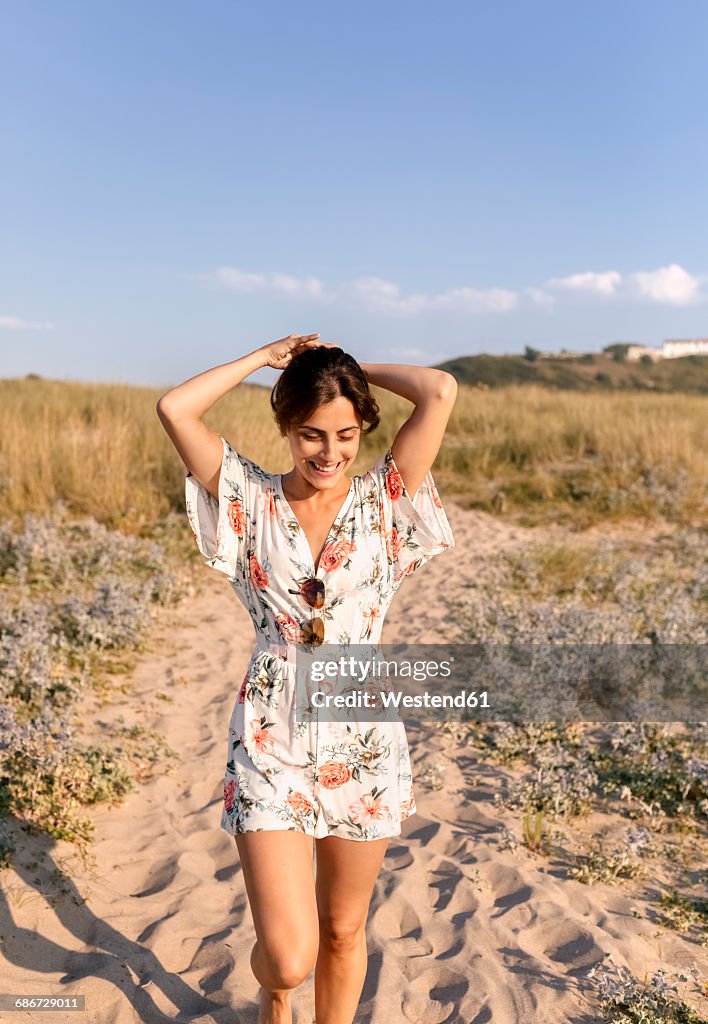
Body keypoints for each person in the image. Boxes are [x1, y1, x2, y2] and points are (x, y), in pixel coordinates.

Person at [156, 333, 457, 1024]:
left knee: (344, 930)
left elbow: (439, 389)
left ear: (364, 430)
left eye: (346, 435)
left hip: (363, 738)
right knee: (290, 955)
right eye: (310, 435)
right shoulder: (247, 497)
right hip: (271, 732)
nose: (328, 453)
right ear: (286, 428)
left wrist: (347, 368)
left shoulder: (386, 498)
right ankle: (277, 992)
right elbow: (177, 408)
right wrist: (268, 359)